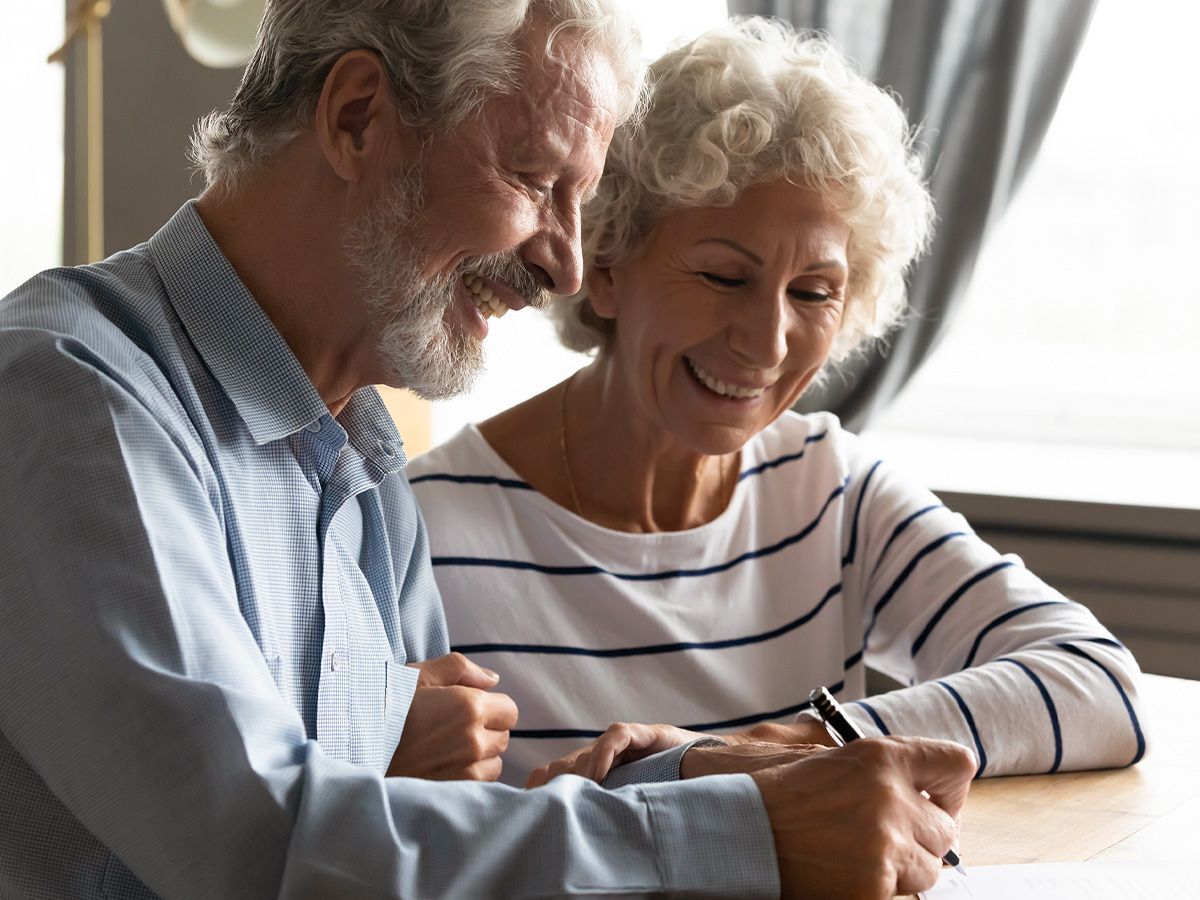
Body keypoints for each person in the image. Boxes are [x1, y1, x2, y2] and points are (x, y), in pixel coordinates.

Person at [0, 2, 977, 898]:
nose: (566, 264)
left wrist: (698, 770)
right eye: (537, 181)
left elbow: (423, 826)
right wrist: (743, 830)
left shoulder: (354, 447)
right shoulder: (71, 399)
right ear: (355, 119)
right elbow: (265, 850)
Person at [408, 18, 1147, 791]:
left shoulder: (831, 490)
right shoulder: (425, 530)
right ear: (607, 265)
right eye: (726, 278)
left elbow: (1099, 684)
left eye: (814, 293)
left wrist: (793, 742)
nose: (766, 344)